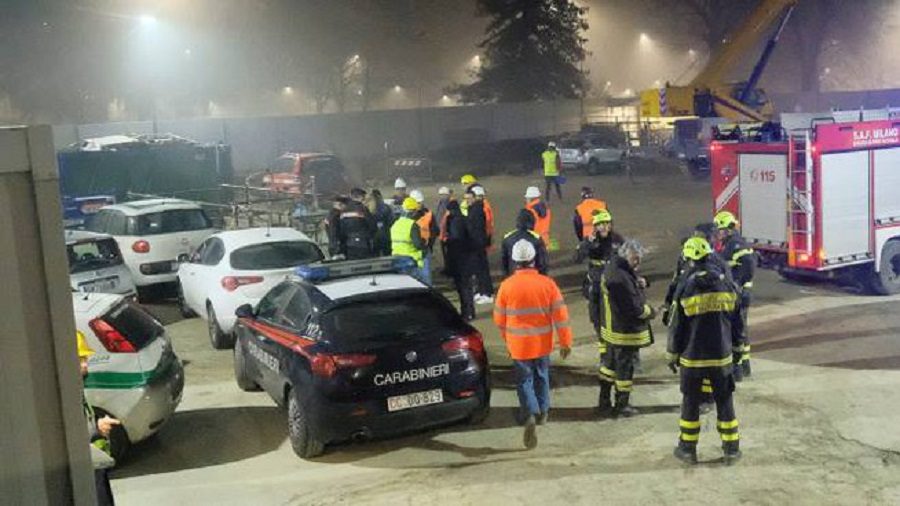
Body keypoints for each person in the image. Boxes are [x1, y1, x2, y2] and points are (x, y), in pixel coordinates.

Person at [667, 237, 743, 464]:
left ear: (690, 259)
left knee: (690, 404)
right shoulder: (726, 284)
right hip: (721, 357)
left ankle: (687, 450)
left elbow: (677, 325)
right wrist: (738, 350)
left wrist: (673, 353)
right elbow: (738, 322)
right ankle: (731, 449)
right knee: (724, 402)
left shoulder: (686, 286)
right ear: (709, 255)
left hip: (692, 359)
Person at [493, 239, 572, 449]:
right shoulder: (547, 284)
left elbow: (499, 319)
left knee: (524, 381)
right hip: (542, 343)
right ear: (533, 259)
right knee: (542, 376)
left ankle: (529, 412)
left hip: (519, 345)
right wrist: (565, 342)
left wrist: (508, 339)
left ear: (515, 261)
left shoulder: (506, 286)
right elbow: (561, 316)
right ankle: (543, 411)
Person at [597, 239, 656, 417]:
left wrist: (637, 282)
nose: (638, 263)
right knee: (624, 370)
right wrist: (650, 312)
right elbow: (633, 308)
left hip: (611, 329)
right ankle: (621, 405)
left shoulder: (614, 268)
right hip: (623, 333)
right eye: (635, 259)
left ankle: (604, 401)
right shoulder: (620, 277)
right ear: (626, 255)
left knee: (609, 367)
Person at [78, 331, 120, 506]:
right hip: (87, 473)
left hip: (95, 469)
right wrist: (97, 427)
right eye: (80, 359)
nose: (86, 364)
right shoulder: (64, 394)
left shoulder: (76, 388)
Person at [714, 210, 756, 381]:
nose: (718, 234)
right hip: (738, 293)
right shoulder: (730, 244)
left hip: (740, 294)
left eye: (720, 230)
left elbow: (749, 266)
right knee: (739, 328)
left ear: (728, 229)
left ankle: (739, 367)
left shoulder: (736, 245)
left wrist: (736, 284)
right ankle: (743, 365)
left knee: (736, 329)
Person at [574, 209, 624, 331]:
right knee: (596, 312)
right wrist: (587, 245)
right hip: (596, 279)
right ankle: (602, 344)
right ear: (595, 226)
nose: (604, 227)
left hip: (613, 279)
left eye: (607, 224)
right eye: (601, 224)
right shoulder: (590, 240)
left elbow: (626, 259)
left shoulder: (617, 239)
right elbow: (576, 258)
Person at [443, 200, 477, 320]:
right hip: (467, 259)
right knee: (467, 287)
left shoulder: (454, 222)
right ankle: (470, 312)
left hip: (459, 260)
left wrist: (447, 243)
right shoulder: (464, 219)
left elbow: (455, 242)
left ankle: (466, 312)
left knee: (462, 288)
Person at [464, 189, 494, 304]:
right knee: (479, 269)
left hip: (478, 244)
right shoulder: (475, 209)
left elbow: (477, 229)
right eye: (465, 199)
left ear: (475, 197)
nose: (467, 201)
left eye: (469, 198)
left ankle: (487, 293)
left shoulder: (477, 210)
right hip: (477, 244)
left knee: (482, 269)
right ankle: (483, 292)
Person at [501, 209, 549, 277]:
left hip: (514, 276)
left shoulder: (507, 238)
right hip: (533, 276)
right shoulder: (537, 238)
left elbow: (504, 263)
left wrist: (506, 278)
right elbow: (542, 263)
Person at [391, 197, 427, 281]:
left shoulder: (396, 223)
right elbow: (418, 244)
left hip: (396, 258)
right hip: (410, 259)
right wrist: (424, 243)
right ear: (413, 211)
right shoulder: (412, 225)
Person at [410, 189, 439, 285]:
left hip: (424, 250)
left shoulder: (428, 214)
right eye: (418, 202)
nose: (420, 204)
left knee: (426, 276)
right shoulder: (408, 216)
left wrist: (429, 244)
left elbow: (435, 231)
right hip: (412, 250)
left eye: (420, 202)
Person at [338, 188, 377, 260]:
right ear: (360, 197)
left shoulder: (343, 211)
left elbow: (341, 230)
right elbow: (373, 226)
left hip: (349, 244)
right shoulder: (363, 209)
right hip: (363, 244)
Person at [368, 188, 395, 256]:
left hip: (376, 237)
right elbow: (391, 221)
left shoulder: (370, 209)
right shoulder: (386, 207)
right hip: (386, 236)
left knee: (376, 256)